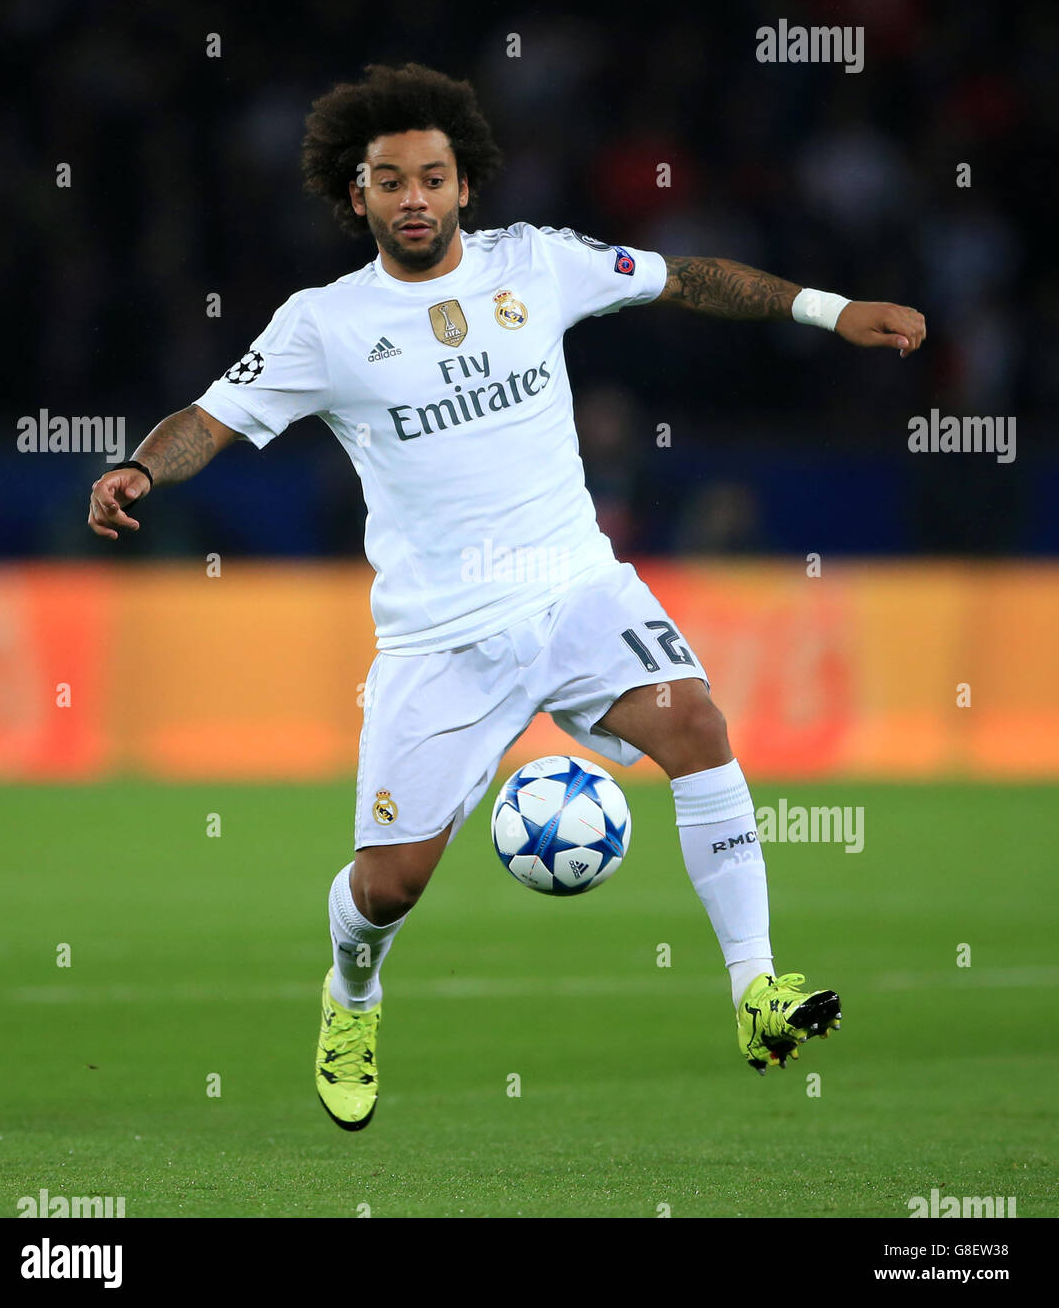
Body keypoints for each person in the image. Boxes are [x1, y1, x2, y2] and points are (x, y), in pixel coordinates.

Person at [88, 63, 926, 1131]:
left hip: (573, 586)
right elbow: (209, 417)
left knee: (694, 723)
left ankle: (754, 990)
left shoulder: (537, 262)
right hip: (439, 638)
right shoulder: (324, 325)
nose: (413, 197)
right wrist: (140, 469)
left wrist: (829, 308)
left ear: (464, 185)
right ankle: (352, 991)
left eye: (431, 176)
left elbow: (684, 276)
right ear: (357, 198)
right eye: (388, 180)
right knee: (386, 886)